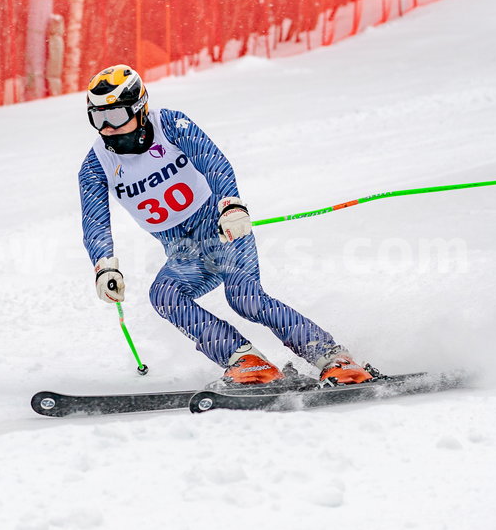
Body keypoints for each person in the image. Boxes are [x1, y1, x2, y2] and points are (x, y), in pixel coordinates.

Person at [77, 64, 372, 386]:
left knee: (245, 298)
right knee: (165, 294)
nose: (107, 129)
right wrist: (104, 266)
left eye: (116, 117)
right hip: (183, 251)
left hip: (221, 228)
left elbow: (212, 162)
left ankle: (333, 358)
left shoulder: (170, 124)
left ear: (140, 109)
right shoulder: (96, 164)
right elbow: (94, 220)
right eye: (98, 119)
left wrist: (230, 204)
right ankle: (246, 361)